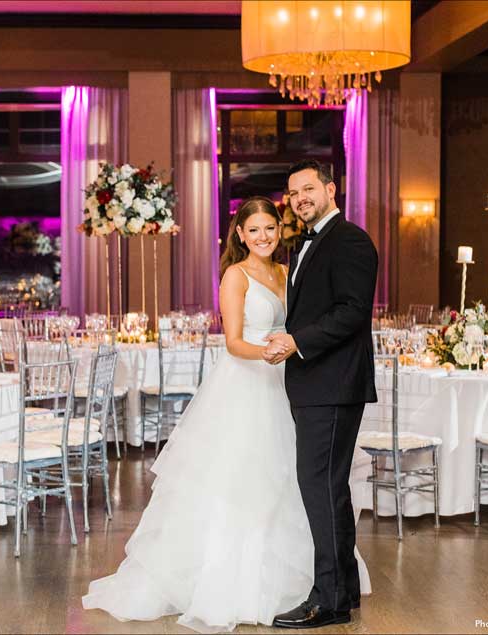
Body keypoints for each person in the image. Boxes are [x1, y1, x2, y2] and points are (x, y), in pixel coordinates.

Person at [82, 196, 370, 633]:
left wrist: (292, 349)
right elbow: (233, 341)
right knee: (243, 481)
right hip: (248, 382)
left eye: (270, 228)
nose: (263, 237)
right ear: (239, 234)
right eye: (253, 230)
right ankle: (235, 584)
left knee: (298, 481)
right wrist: (275, 350)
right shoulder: (235, 276)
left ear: (280, 230)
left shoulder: (284, 272)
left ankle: (314, 583)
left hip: (289, 382)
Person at [263, 160, 378, 629]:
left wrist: (297, 342)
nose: (300, 198)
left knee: (320, 488)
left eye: (308, 189)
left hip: (331, 384)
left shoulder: (349, 240)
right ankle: (343, 589)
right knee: (328, 489)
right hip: (315, 384)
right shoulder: (305, 242)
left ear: (331, 189)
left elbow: (353, 312)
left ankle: (327, 601)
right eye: (293, 193)